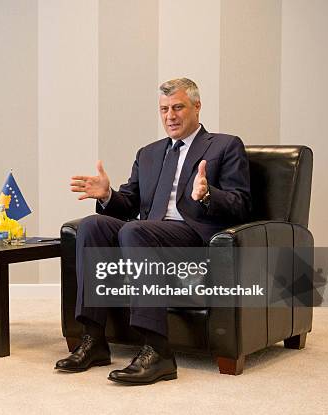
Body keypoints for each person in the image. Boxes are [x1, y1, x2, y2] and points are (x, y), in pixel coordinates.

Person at [56, 78, 251, 385]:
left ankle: (158, 351)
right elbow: (129, 204)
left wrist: (209, 194)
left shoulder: (225, 145)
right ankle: (93, 340)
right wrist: (107, 196)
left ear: (197, 107)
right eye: (164, 109)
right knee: (94, 225)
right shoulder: (148, 152)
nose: (170, 116)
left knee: (136, 232)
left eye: (178, 107)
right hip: (145, 232)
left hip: (194, 237)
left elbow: (241, 205)